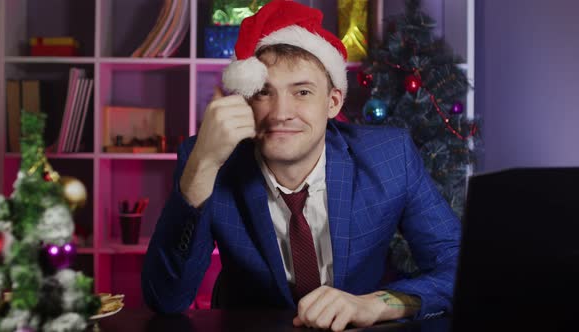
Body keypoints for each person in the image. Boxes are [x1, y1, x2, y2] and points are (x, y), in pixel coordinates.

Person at [142, 0, 460, 330]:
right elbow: (166, 299)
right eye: (264, 93)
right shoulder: (207, 160)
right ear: (245, 99)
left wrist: (379, 304)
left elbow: (459, 268)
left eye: (303, 92)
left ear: (333, 102)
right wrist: (203, 167)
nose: (281, 113)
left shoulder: (390, 158)